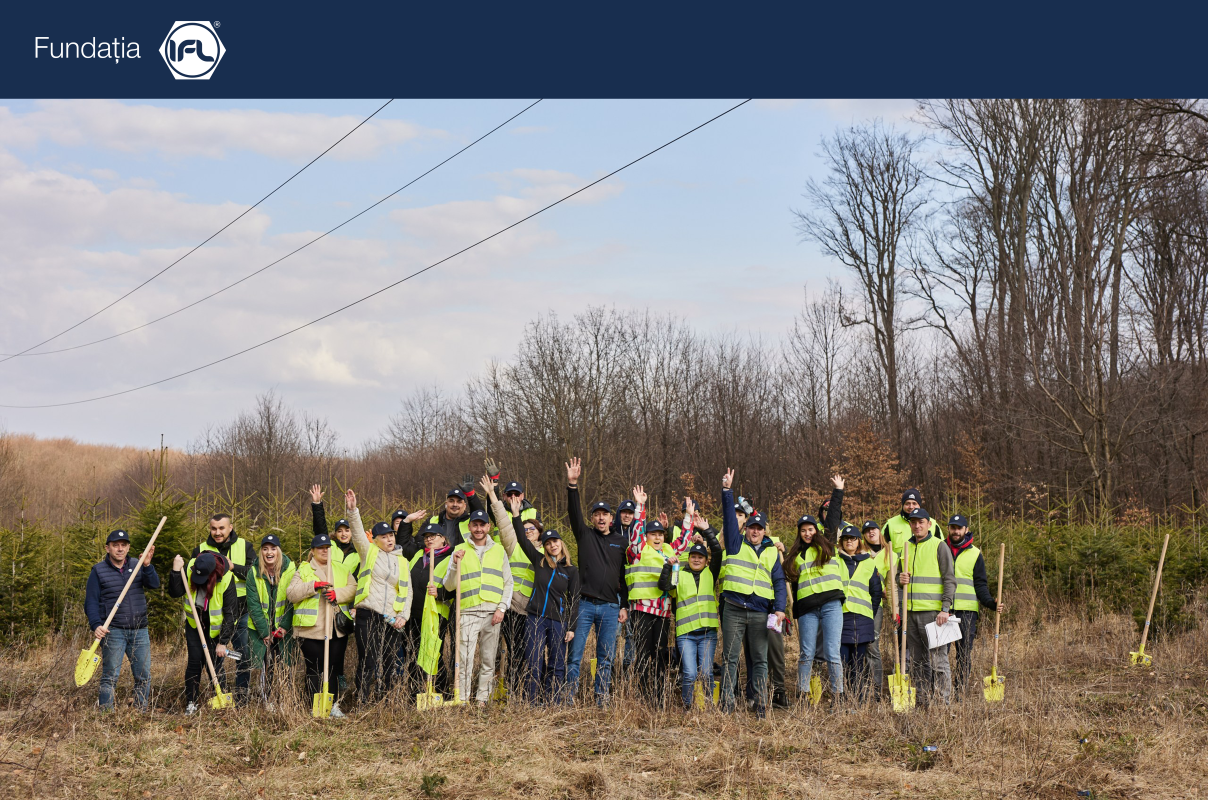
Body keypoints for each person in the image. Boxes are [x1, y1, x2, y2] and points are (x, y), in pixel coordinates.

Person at [718, 468, 787, 718]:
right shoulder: (735, 543)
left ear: (764, 530)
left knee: (760, 660)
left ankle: (760, 704)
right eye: (751, 527)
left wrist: (780, 609)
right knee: (730, 658)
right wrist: (727, 491)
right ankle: (726, 703)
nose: (755, 531)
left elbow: (779, 582)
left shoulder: (771, 552)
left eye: (759, 528)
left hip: (760, 612)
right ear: (745, 528)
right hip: (734, 608)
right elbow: (729, 519)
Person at [563, 457, 630, 706]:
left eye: (605, 515)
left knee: (606, 657)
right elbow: (574, 513)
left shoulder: (621, 542)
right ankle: (568, 698)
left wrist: (624, 605)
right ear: (592, 519)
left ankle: (602, 699)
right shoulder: (584, 536)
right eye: (597, 515)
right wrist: (573, 485)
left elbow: (624, 576)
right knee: (575, 655)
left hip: (611, 607)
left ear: (612, 518)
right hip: (585, 605)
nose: (601, 518)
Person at [345, 489, 413, 703]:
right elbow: (357, 534)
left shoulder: (403, 562)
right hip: (368, 615)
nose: (389, 539)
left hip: (392, 619)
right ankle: (363, 701)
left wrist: (403, 616)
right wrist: (353, 511)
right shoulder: (369, 553)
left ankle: (387, 702)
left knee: (391, 661)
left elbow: (408, 592)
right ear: (375, 540)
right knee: (368, 660)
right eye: (383, 537)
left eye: (391, 535)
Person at [625, 485, 690, 704]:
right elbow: (635, 533)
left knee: (660, 655)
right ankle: (644, 697)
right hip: (642, 610)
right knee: (643, 655)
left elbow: (683, 542)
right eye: (653, 534)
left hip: (662, 613)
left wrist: (688, 517)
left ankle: (659, 697)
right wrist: (640, 506)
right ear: (646, 536)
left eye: (660, 534)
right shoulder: (638, 550)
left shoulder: (668, 550)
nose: (657, 537)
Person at [442, 508, 513, 706]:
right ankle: (463, 698)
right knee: (464, 659)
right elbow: (449, 585)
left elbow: (509, 583)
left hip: (492, 614)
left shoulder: (499, 550)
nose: (479, 529)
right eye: (475, 525)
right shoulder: (459, 550)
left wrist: (501, 608)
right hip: (468, 612)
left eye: (482, 525)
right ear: (470, 526)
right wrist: (454, 564)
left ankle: (482, 699)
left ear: (488, 527)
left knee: (488, 659)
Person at [84, 529, 159, 712]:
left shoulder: (138, 564)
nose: (120, 549)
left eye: (123, 545)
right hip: (113, 631)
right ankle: (106, 714)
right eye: (115, 545)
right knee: (110, 676)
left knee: (143, 675)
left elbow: (154, 584)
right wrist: (96, 625)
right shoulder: (98, 571)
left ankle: (140, 712)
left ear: (128, 547)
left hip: (139, 630)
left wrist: (147, 566)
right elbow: (91, 602)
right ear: (107, 548)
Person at [287, 532, 356, 717]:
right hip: (310, 630)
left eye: (327, 548)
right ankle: (315, 705)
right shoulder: (304, 570)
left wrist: (337, 594)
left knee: (333, 668)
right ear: (313, 550)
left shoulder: (341, 569)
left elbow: (353, 588)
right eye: (320, 548)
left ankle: (332, 705)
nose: (325, 551)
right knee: (315, 668)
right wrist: (313, 586)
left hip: (336, 629)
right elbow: (291, 593)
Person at [485, 475, 539, 700]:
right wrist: (492, 494)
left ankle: (525, 692)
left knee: (526, 652)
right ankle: (505, 691)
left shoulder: (544, 552)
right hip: (510, 606)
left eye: (532, 529)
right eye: (525, 529)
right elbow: (500, 520)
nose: (529, 531)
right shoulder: (513, 546)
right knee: (507, 651)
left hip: (531, 609)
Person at [192, 513, 255, 703]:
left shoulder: (244, 546)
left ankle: (242, 697)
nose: (217, 532)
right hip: (213, 615)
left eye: (221, 528)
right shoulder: (200, 550)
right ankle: (221, 695)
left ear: (230, 527)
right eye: (214, 528)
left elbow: (254, 574)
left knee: (242, 655)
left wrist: (233, 567)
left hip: (241, 612)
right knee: (215, 657)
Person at [660, 516, 721, 710]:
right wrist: (668, 566)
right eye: (693, 556)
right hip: (685, 634)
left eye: (700, 557)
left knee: (706, 673)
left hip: (707, 633)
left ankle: (709, 707)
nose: (696, 559)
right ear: (689, 558)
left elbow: (718, 551)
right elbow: (664, 586)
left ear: (706, 560)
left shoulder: (711, 573)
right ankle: (687, 707)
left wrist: (707, 531)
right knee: (689, 674)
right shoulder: (679, 574)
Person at [897, 508, 956, 707]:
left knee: (939, 660)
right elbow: (899, 580)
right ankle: (922, 701)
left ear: (929, 524)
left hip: (934, 614)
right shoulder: (905, 548)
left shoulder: (939, 546)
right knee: (918, 661)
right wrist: (900, 579)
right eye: (913, 522)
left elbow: (950, 579)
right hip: (911, 613)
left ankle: (942, 702)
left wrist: (945, 609)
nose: (917, 526)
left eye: (921, 522)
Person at [785, 512, 845, 707]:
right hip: (807, 609)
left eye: (810, 529)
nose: (807, 533)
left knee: (832, 652)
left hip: (830, 604)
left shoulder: (827, 546)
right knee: (806, 653)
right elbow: (793, 583)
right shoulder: (795, 556)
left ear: (816, 530)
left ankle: (838, 697)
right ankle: (802, 696)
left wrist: (836, 496)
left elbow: (833, 517)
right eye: (803, 531)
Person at [514, 527, 579, 704]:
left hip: (558, 622)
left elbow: (574, 600)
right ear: (544, 547)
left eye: (555, 541)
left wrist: (571, 627)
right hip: (535, 619)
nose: (552, 545)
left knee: (556, 664)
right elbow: (522, 539)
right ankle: (531, 702)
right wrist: (516, 515)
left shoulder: (571, 570)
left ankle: (553, 702)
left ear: (561, 543)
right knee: (534, 662)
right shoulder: (539, 561)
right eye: (548, 543)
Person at [944, 514, 1005, 700]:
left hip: (967, 612)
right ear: (949, 529)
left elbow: (980, 585)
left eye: (959, 528)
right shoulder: (941, 549)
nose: (956, 531)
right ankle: (941, 691)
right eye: (953, 528)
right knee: (940, 654)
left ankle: (960, 692)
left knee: (963, 654)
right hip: (944, 610)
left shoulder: (975, 553)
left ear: (966, 530)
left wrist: (991, 603)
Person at [169, 551, 237, 715]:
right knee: (194, 661)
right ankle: (191, 702)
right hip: (194, 625)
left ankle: (221, 700)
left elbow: (231, 614)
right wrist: (176, 571)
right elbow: (175, 593)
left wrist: (223, 642)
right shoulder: (190, 568)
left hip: (215, 630)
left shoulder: (226, 578)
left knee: (215, 663)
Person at [403, 523, 456, 698]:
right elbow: (402, 541)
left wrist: (440, 593)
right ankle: (416, 692)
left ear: (443, 539)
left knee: (433, 652)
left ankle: (441, 691)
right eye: (426, 536)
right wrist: (407, 522)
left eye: (434, 536)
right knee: (414, 652)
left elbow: (456, 586)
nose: (429, 539)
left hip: (435, 613)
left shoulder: (451, 558)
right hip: (414, 612)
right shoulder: (419, 555)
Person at [246, 533, 295, 706]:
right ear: (261, 552)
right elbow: (253, 605)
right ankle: (267, 701)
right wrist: (265, 632)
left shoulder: (290, 570)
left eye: (273, 549)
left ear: (278, 551)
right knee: (267, 665)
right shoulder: (254, 572)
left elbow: (292, 601)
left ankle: (285, 700)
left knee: (285, 664)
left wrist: (284, 626)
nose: (269, 553)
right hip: (262, 630)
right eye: (265, 549)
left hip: (283, 629)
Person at [836, 524, 882, 704]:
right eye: (846, 539)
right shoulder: (835, 560)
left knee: (858, 663)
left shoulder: (869, 563)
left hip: (862, 619)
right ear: (841, 541)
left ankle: (858, 698)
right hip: (841, 617)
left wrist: (870, 612)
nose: (849, 541)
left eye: (853, 538)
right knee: (842, 661)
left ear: (859, 541)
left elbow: (876, 593)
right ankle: (842, 698)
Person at [861, 520, 892, 701]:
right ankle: (862, 685)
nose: (870, 532)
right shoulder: (860, 550)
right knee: (860, 645)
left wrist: (888, 590)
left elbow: (893, 581)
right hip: (857, 603)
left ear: (879, 531)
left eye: (873, 529)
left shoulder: (890, 553)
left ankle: (876, 688)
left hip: (876, 604)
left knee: (872, 645)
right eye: (866, 531)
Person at [428, 477, 486, 546]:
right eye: (451, 501)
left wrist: (471, 496)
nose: (455, 504)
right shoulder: (432, 521)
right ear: (446, 504)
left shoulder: (470, 521)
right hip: (437, 553)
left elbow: (480, 514)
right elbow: (420, 541)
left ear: (464, 506)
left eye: (459, 502)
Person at [882, 489, 942, 554]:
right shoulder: (890, 524)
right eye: (907, 503)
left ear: (919, 505)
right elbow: (881, 550)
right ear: (903, 505)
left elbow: (941, 549)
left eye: (914, 503)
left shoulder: (932, 524)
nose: (911, 507)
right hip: (898, 561)